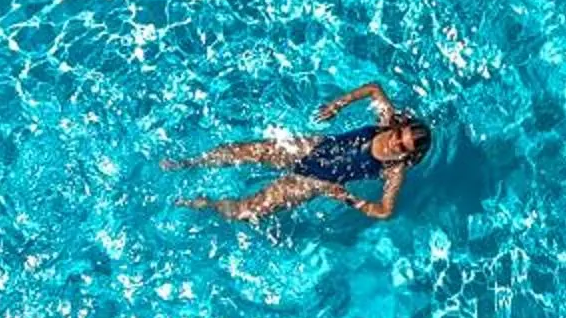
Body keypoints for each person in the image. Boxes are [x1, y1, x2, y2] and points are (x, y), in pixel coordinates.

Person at [170, 80, 432, 222]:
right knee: (245, 151)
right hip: (311, 148)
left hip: (312, 183)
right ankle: (188, 163)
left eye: (401, 147)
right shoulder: (385, 122)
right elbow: (374, 88)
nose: (393, 143)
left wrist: (347, 198)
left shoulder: (394, 171)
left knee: (247, 211)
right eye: (399, 135)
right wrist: (337, 104)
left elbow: (385, 211)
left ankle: (203, 204)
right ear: (399, 126)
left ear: (407, 156)